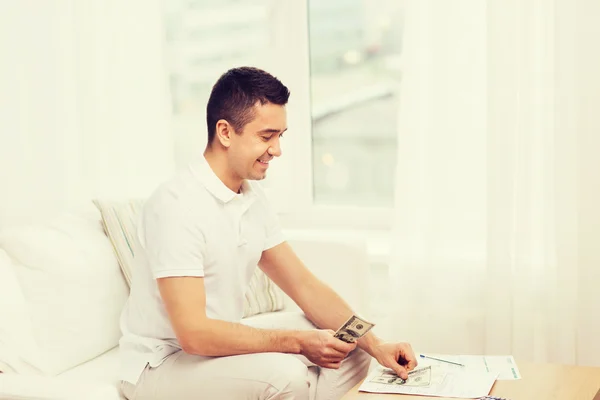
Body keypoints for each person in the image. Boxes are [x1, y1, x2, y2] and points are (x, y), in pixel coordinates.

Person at [118, 66, 417, 400]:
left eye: (280, 136)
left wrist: (376, 345)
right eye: (266, 136)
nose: (277, 150)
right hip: (162, 364)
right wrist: (296, 343)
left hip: (210, 353)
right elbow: (194, 334)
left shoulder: (251, 199)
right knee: (284, 375)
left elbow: (305, 286)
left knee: (349, 342)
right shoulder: (176, 206)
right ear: (226, 132)